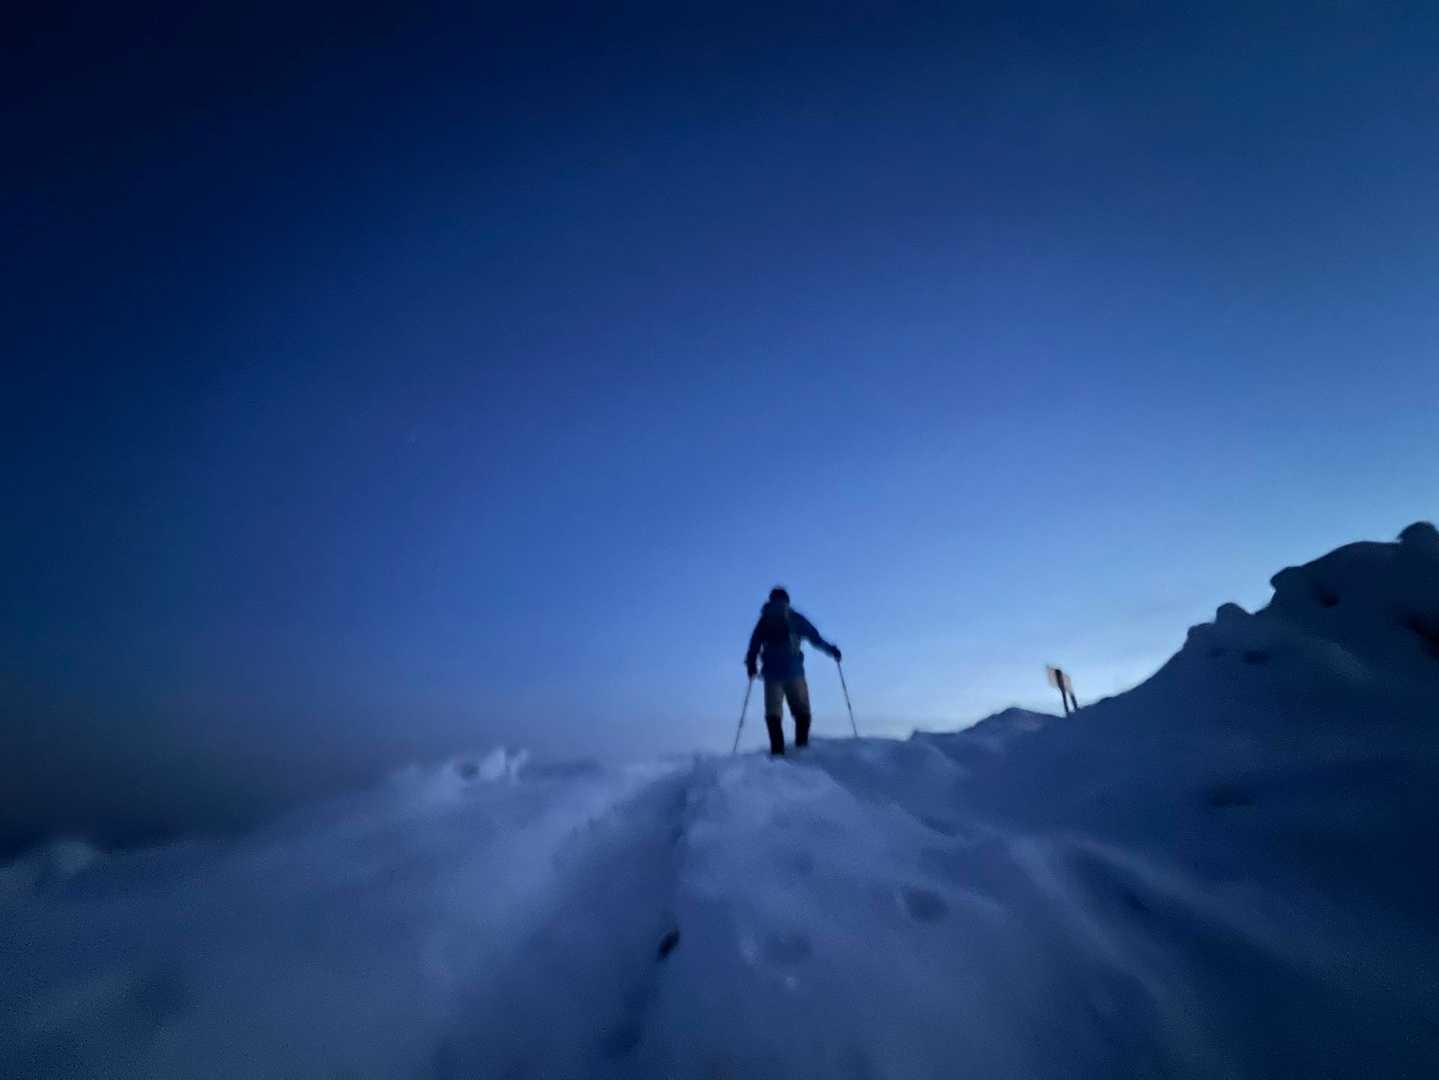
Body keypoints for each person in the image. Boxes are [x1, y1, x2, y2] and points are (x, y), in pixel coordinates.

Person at [744, 587, 841, 756]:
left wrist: (751, 665)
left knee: (773, 714)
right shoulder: (795, 618)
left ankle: (777, 753)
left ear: (771, 600)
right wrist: (832, 650)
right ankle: (801, 748)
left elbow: (754, 645)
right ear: (787, 601)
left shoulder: (764, 620)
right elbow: (815, 639)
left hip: (771, 674)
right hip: (794, 671)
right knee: (802, 711)